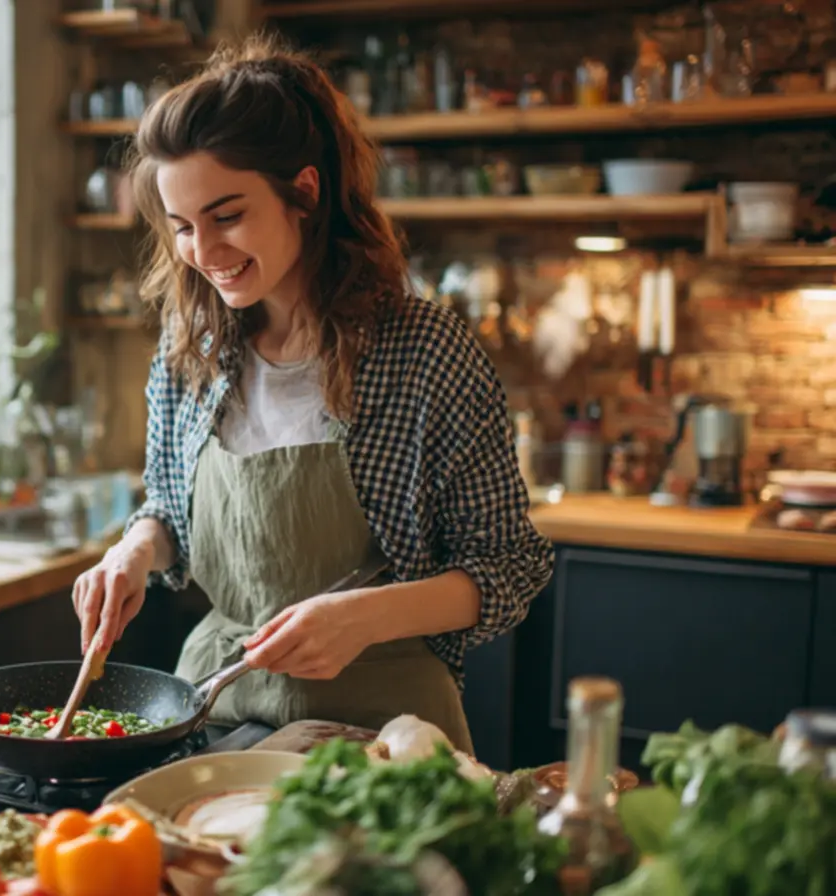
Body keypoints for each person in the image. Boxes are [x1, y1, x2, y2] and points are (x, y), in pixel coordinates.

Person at [70, 35, 553, 751]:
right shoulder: (191, 349)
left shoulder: (424, 352)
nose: (203, 252)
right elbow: (170, 511)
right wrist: (134, 552)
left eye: (226, 216)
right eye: (181, 228)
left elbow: (508, 565)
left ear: (304, 191)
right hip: (217, 709)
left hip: (387, 729)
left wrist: (365, 617)